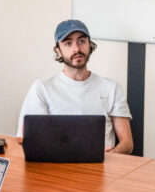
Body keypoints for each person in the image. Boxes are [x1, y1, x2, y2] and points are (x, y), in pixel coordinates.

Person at [18, 19, 133, 154]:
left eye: (81, 41)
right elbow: (28, 141)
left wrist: (110, 156)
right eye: (68, 43)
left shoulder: (111, 88)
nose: (76, 49)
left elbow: (127, 143)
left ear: (90, 45)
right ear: (58, 51)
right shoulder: (41, 89)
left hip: (103, 167)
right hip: (57, 167)